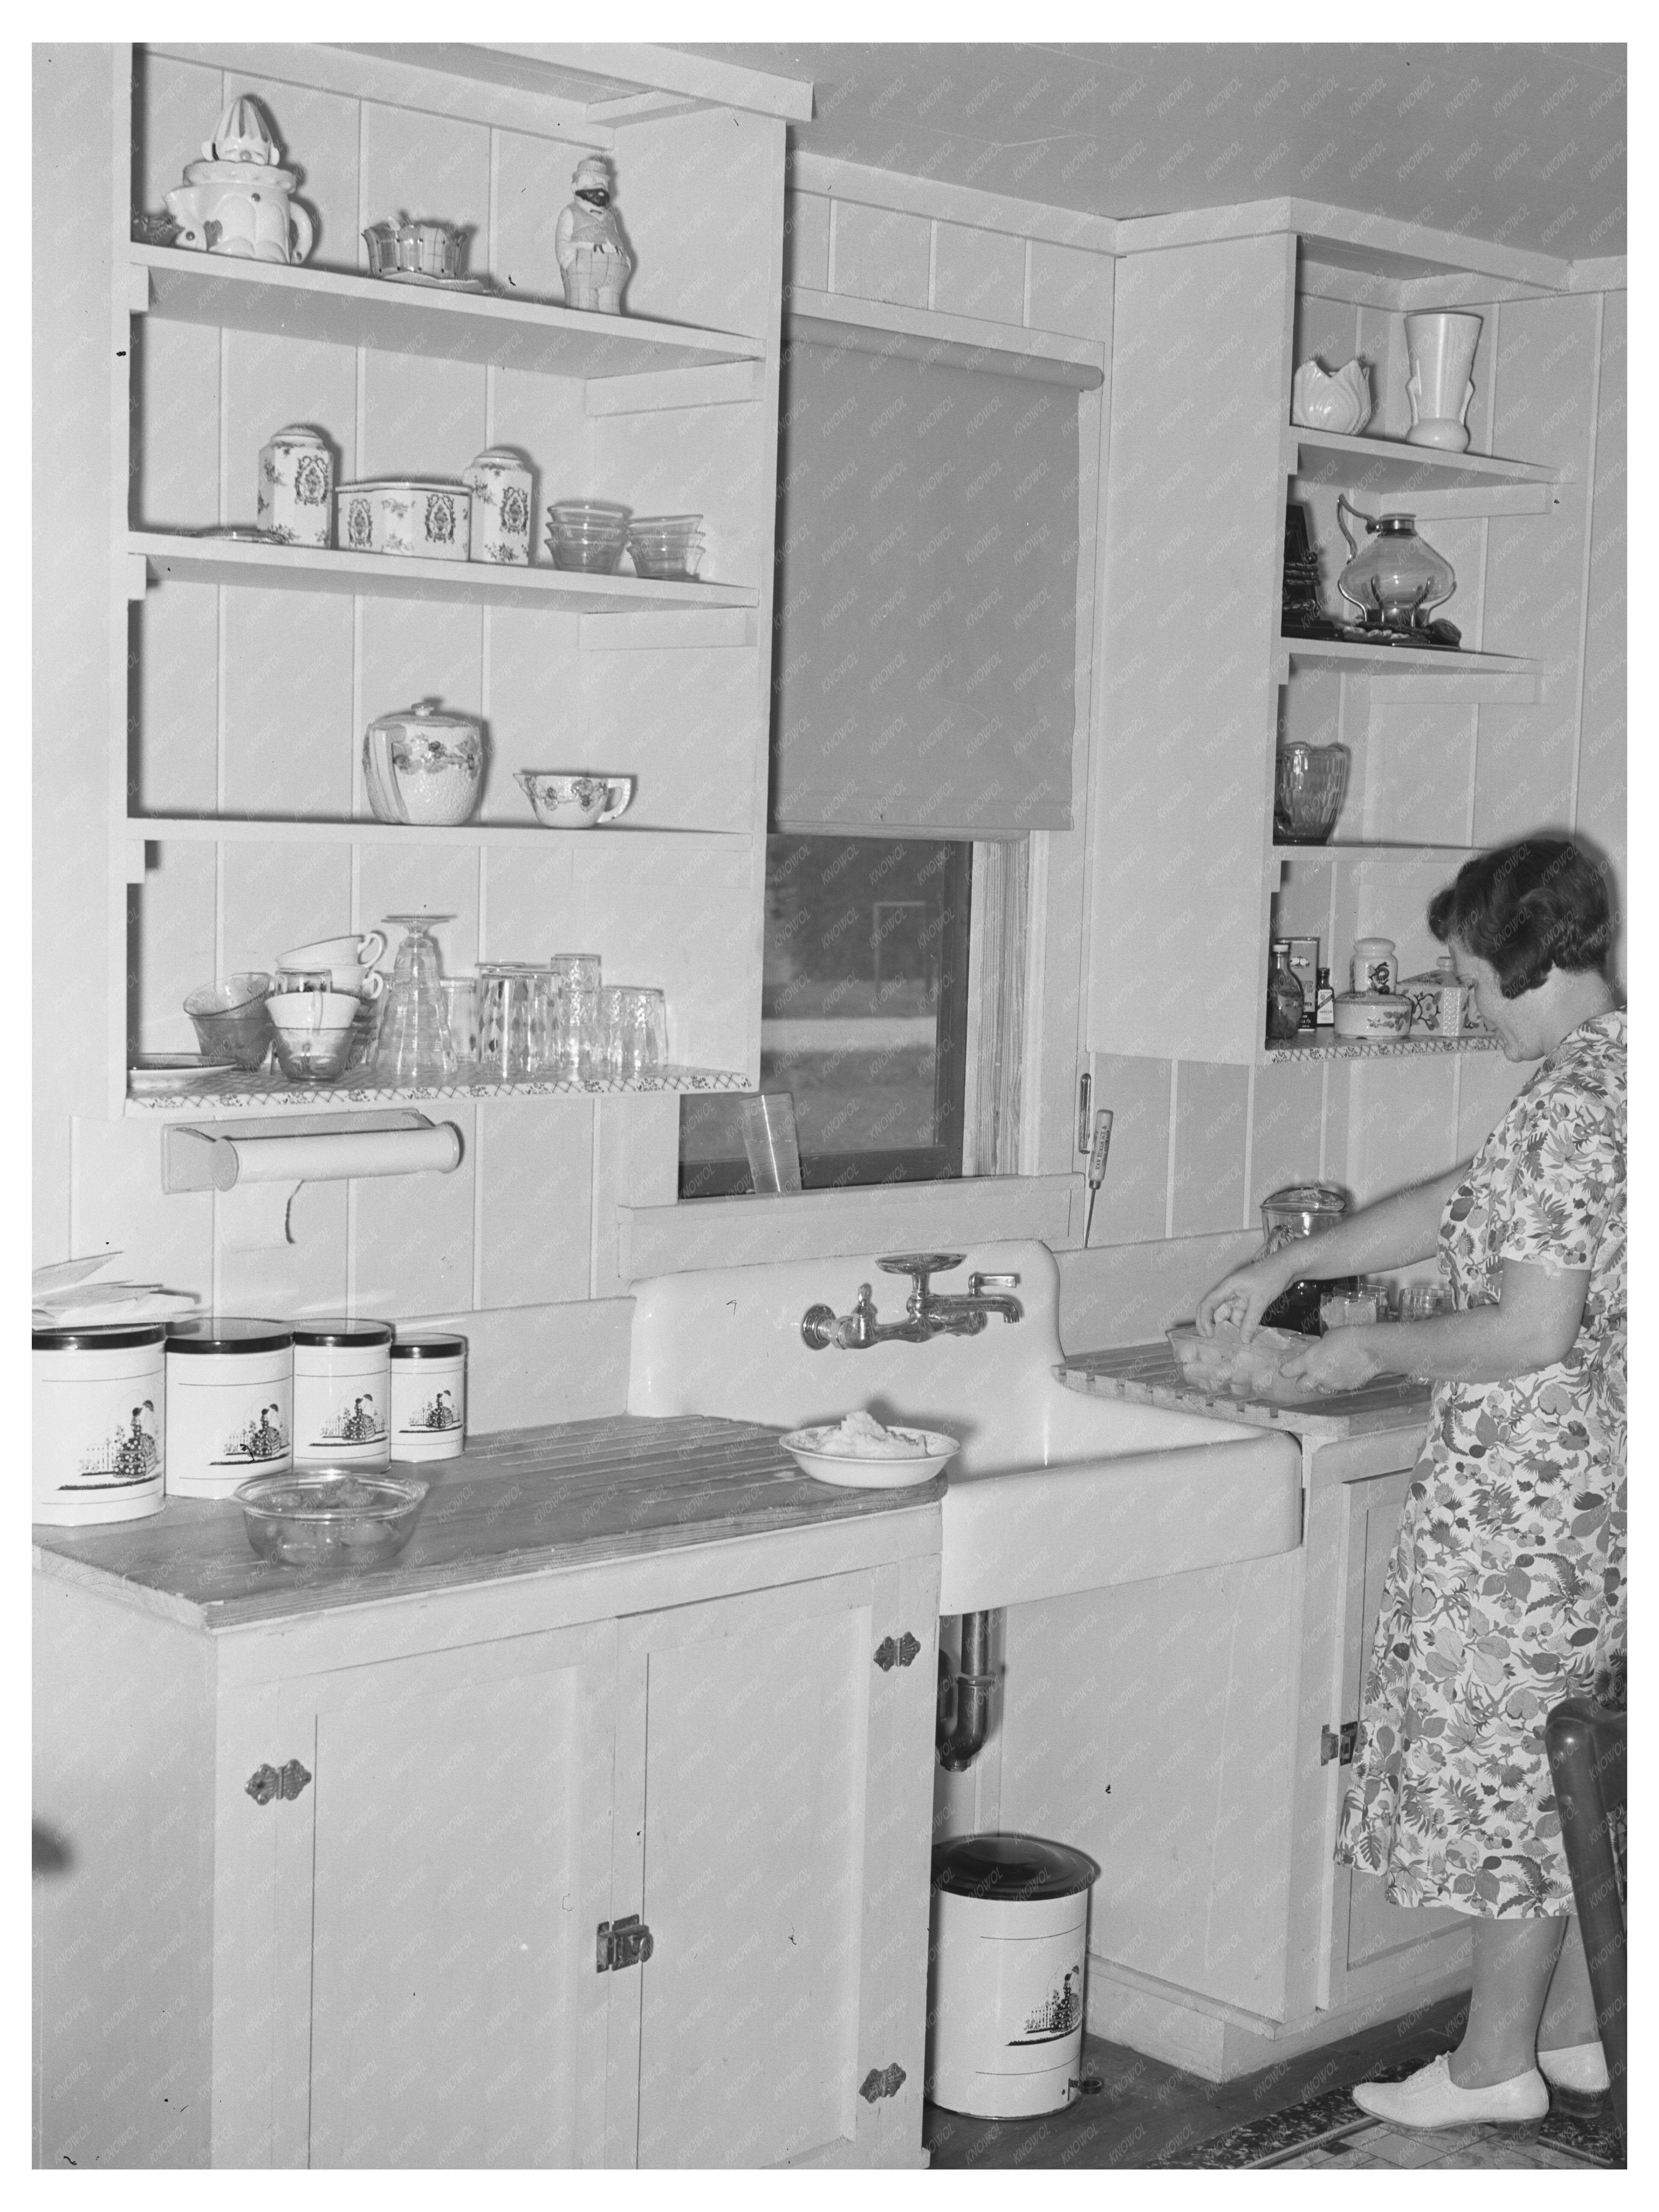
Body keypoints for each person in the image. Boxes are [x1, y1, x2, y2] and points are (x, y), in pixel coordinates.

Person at [1198, 836, 1625, 2131]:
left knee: (1504, 1771)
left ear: (1530, 958)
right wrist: (1292, 1266)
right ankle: (1570, 2036)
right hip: (1591, 1492)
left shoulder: (1572, 1100)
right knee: (1559, 1766)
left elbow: (1526, 1330)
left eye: (1476, 979)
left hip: (1526, 1505)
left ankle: (1489, 2070)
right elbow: (1464, 1201)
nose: (1472, 1005)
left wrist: (1361, 1348)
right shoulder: (1609, 1075)